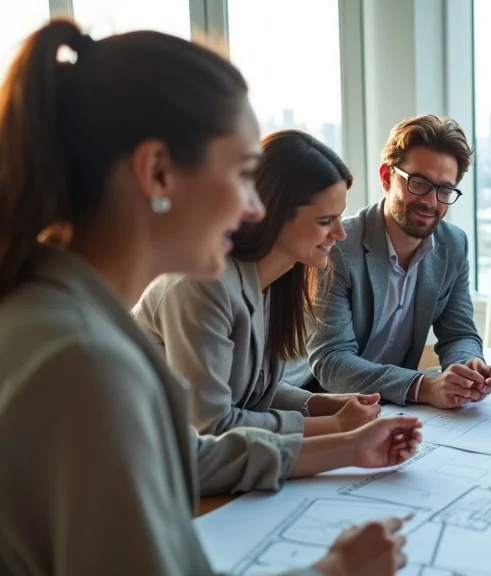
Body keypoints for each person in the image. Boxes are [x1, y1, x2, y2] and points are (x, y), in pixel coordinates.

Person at [0, 20, 419, 575]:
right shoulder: (85, 361)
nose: (254, 209)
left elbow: (187, 457)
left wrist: (346, 445)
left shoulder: (60, 318)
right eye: (245, 175)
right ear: (158, 172)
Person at [134, 130, 381, 436]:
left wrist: (322, 405)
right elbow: (212, 425)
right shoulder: (201, 285)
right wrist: (332, 426)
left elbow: (249, 391)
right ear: (273, 214)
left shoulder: (277, 281)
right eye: (324, 221)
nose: (340, 234)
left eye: (339, 217)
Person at [308, 114, 491, 409]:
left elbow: (459, 332)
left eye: (444, 190)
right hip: (326, 406)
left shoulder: (454, 245)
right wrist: (423, 386)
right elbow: (331, 362)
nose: (431, 202)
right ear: (387, 176)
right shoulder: (338, 247)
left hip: (397, 406)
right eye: (419, 183)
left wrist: (469, 366)